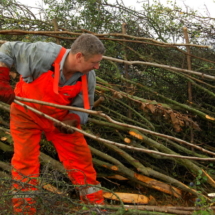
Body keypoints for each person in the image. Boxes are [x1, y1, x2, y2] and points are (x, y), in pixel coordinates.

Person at [0, 34, 106, 214]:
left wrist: (74, 118)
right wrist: (1, 80)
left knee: (81, 162)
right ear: (79, 56)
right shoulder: (43, 53)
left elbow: (83, 108)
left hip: (59, 120)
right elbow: (7, 48)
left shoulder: (88, 76)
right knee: (24, 163)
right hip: (25, 113)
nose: (97, 66)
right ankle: (24, 210)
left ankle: (95, 208)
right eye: (94, 62)